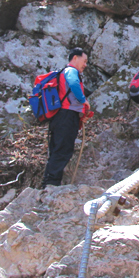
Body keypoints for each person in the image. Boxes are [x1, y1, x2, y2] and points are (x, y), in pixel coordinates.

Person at [42, 47, 92, 188]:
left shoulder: (64, 72)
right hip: (66, 116)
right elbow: (74, 83)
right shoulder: (71, 71)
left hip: (59, 116)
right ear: (75, 58)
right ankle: (52, 184)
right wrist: (83, 100)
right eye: (84, 60)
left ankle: (48, 182)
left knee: (57, 149)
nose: (85, 64)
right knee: (63, 150)